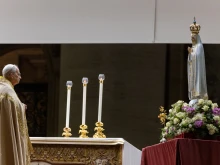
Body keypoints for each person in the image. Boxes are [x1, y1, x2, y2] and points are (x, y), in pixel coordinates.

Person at [0, 64, 33, 165]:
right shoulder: (8, 91)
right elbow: (10, 108)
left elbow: (12, 108)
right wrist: (22, 108)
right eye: (18, 74)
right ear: (11, 75)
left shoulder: (3, 87)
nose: (20, 77)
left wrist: (21, 106)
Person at [187, 19, 208, 106]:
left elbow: (198, 57)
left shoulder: (199, 46)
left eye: (193, 37)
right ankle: (194, 95)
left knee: (197, 82)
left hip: (197, 69)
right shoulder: (194, 46)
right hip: (193, 70)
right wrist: (190, 54)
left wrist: (191, 53)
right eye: (191, 37)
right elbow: (191, 59)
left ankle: (198, 93)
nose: (192, 39)